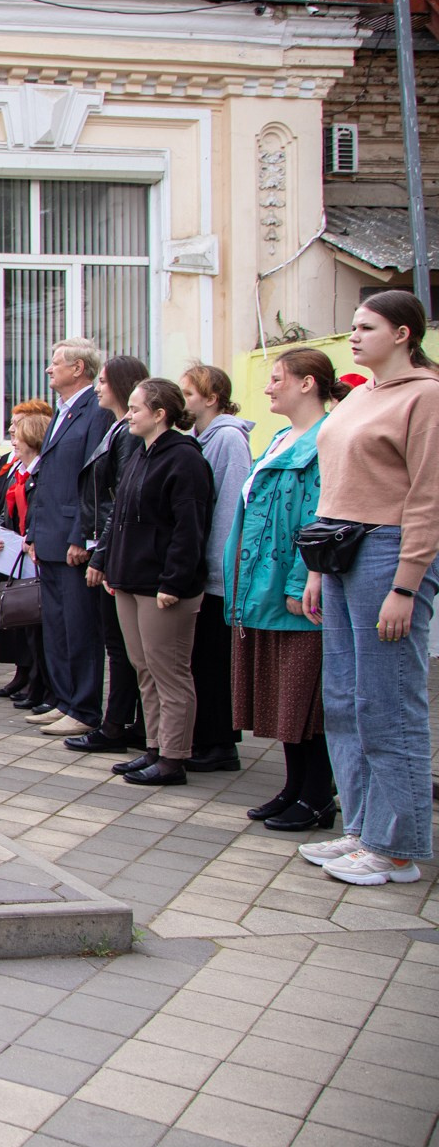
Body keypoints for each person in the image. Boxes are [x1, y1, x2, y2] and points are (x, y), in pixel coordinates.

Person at [301, 290, 439, 886]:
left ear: (404, 333)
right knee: (346, 700)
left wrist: (406, 588)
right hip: (339, 551)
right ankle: (360, 828)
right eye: (352, 326)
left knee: (389, 703)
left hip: (389, 554)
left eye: (366, 327)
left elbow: (429, 500)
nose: (353, 336)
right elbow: (336, 484)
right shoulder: (360, 394)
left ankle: (398, 847)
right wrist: (315, 569)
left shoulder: (427, 396)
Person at [227, 348, 342, 832]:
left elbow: (320, 516)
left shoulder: (326, 440)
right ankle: (295, 787)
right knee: (282, 694)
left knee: (303, 697)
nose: (269, 387)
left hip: (294, 591)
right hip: (261, 587)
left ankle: (318, 796)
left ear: (307, 383)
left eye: (277, 379)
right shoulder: (279, 438)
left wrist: (300, 581)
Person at [101, 379, 214, 786]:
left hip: (163, 586)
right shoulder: (140, 455)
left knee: (169, 672)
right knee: (143, 667)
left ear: (160, 414)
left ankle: (173, 758)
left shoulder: (184, 459)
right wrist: (114, 570)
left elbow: (189, 528)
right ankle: (153, 745)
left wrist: (174, 581)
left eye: (135, 408)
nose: (129, 415)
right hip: (130, 580)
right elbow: (122, 520)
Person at [26, 338, 114, 740]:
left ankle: (84, 706)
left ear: (79, 368)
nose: (49, 369)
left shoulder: (94, 410)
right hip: (49, 535)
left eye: (56, 363)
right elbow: (46, 477)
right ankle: (64, 700)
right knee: (56, 625)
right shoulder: (63, 412)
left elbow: (93, 478)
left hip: (72, 540)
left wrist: (82, 535)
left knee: (79, 627)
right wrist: (32, 531)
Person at [71, 355, 150, 755]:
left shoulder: (128, 434)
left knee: (120, 646)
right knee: (119, 644)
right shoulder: (117, 428)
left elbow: (121, 501)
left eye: (103, 380)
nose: (98, 387)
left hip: (116, 551)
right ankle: (125, 720)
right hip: (108, 544)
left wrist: (101, 555)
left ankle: (116, 724)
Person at [182, 364, 252, 773]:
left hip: (216, 573)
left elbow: (230, 507)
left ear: (211, 399)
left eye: (190, 394)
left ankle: (220, 743)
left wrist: (218, 565)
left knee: (212, 660)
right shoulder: (200, 439)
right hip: (202, 568)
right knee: (199, 659)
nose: (185, 401)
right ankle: (205, 736)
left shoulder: (227, 438)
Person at [0, 401, 51, 706]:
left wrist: (33, 537)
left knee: (37, 625)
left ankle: (40, 684)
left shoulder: (39, 473)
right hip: (15, 553)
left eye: (17, 432)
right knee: (23, 622)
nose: (12, 436)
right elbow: (4, 509)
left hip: (34, 556)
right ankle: (27, 678)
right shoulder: (16, 470)